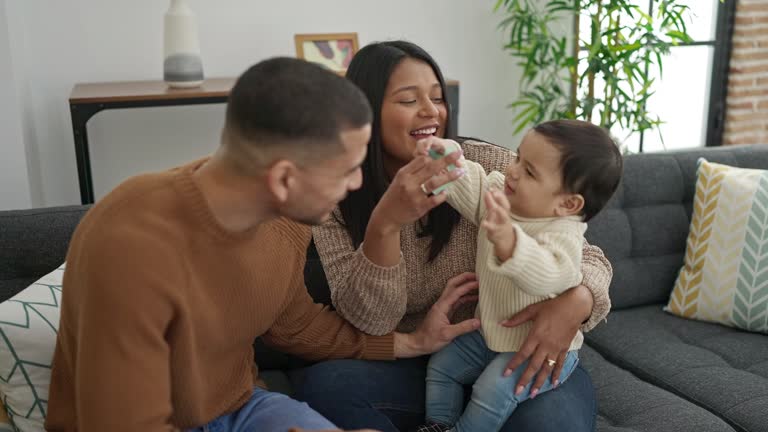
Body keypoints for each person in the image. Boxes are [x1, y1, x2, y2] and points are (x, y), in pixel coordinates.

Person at [44, 57, 482, 432]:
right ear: (283, 179)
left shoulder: (285, 222)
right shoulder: (130, 244)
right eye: (348, 170)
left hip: (239, 409)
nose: (358, 184)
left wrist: (413, 343)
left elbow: (296, 326)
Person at [291, 40, 613, 432]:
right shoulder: (336, 199)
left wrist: (576, 302)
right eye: (409, 100)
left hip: (521, 351)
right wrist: (386, 224)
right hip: (418, 364)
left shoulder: (487, 164)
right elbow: (371, 321)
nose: (431, 111)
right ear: (366, 113)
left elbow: (584, 255)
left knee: (550, 422)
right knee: (326, 386)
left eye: (438, 97)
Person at [415, 121, 623, 432]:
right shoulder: (501, 192)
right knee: (443, 366)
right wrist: (443, 158)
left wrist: (510, 242)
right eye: (518, 158)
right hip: (488, 333)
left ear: (567, 204)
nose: (513, 171)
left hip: (534, 347)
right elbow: (469, 181)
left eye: (529, 172)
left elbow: (549, 276)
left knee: (492, 390)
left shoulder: (564, 234)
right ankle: (437, 424)